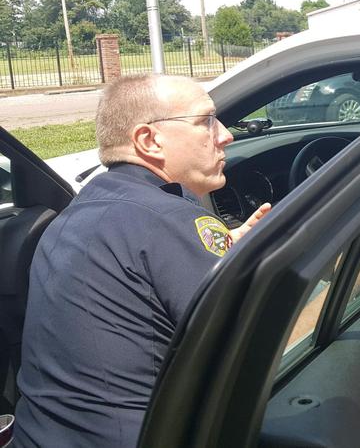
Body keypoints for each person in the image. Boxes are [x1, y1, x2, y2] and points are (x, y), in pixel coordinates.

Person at [12, 75, 270, 447]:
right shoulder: (168, 220)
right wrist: (351, 271)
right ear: (149, 140)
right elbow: (263, 349)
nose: (226, 135)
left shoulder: (81, 211)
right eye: (206, 121)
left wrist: (219, 253)